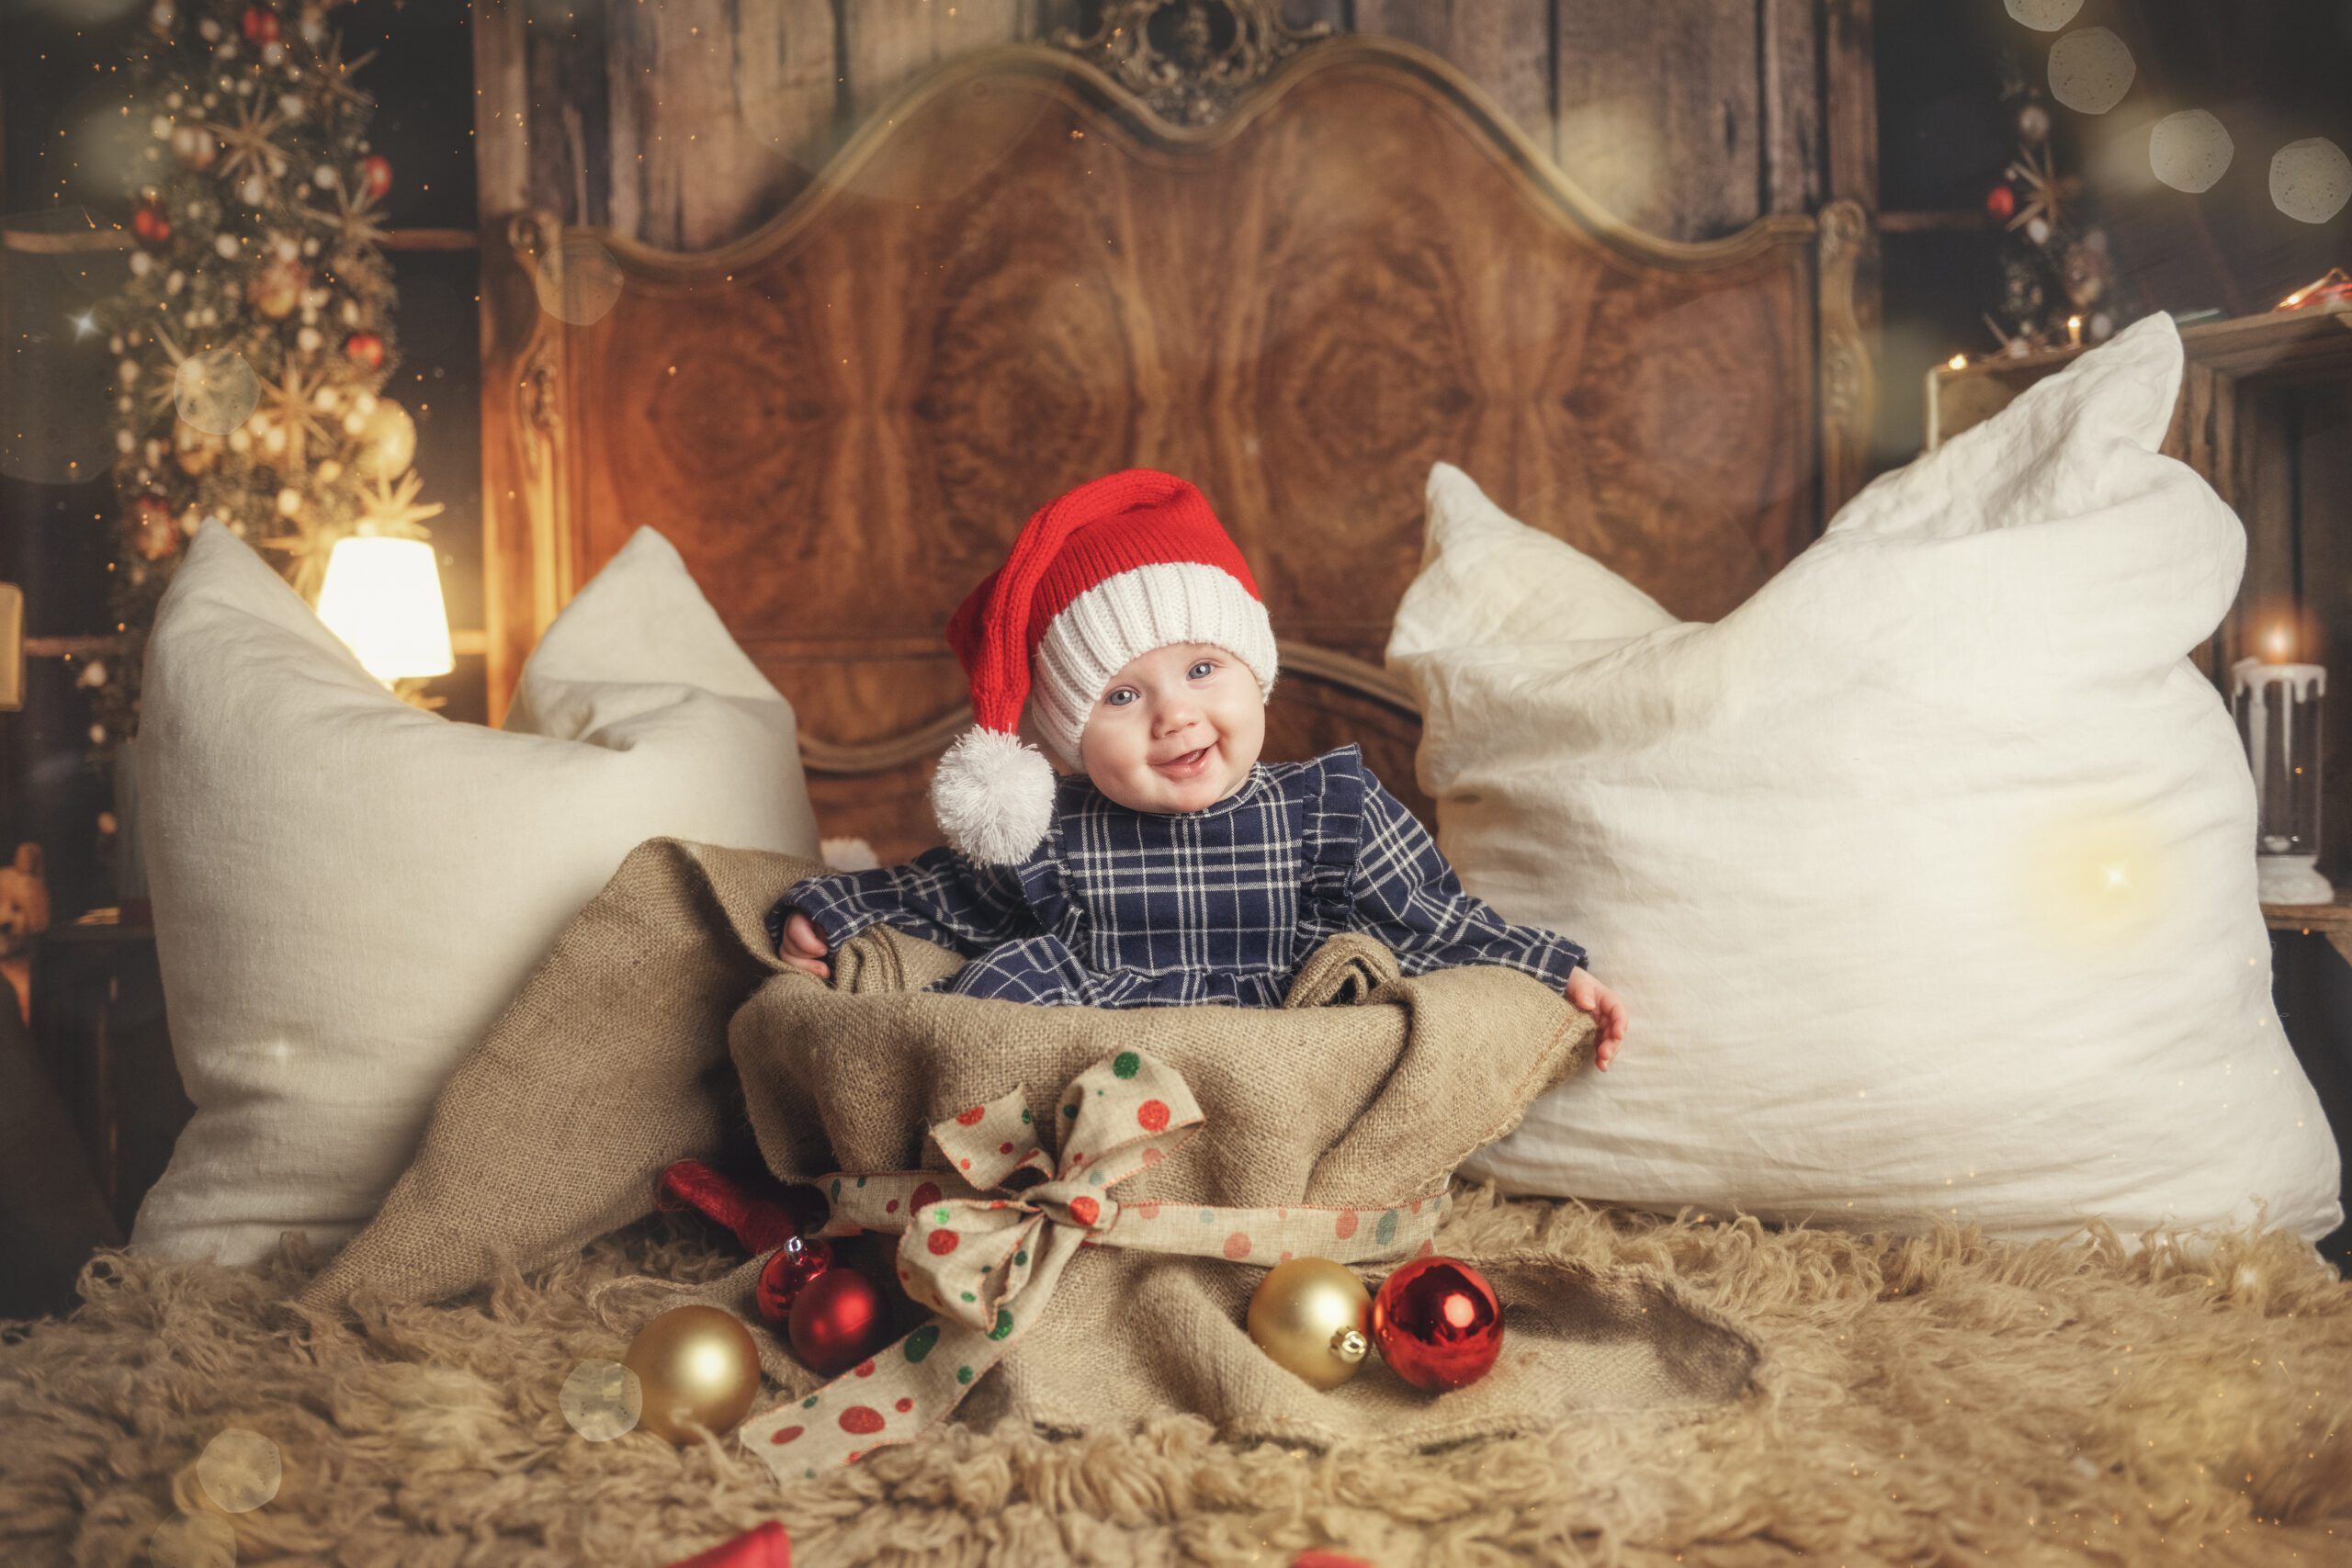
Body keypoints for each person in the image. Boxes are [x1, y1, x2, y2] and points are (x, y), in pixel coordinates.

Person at [768, 468, 1628, 1068]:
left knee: (1371, 1020)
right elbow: (939, 893)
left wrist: (1552, 968)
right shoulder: (1052, 833)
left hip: (1272, 1056)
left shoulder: (1328, 813)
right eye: (1120, 697)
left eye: (1202, 670)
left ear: (1253, 671)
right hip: (1085, 1057)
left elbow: (1435, 920)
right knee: (970, 1021)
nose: (1174, 713)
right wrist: (832, 909)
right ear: (1066, 740)